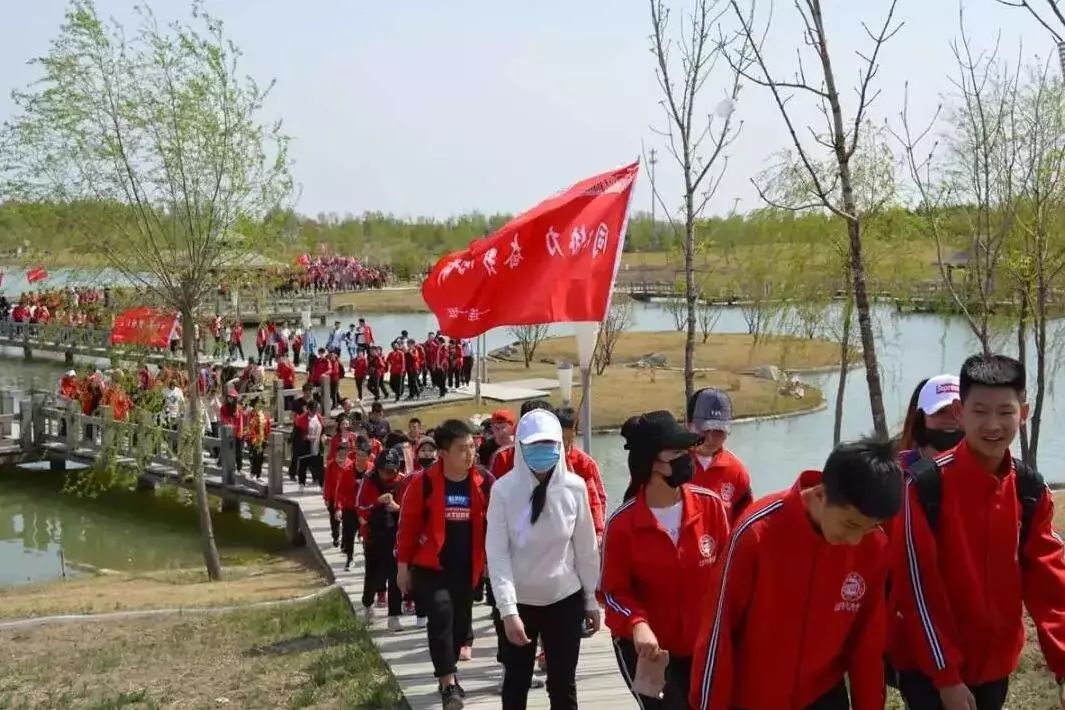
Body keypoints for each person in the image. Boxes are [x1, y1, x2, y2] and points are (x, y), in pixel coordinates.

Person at [889, 354, 1065, 710]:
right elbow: (917, 588)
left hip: (994, 664)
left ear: (1024, 413)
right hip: (928, 665)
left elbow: (1050, 581)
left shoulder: (1029, 489)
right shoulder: (923, 487)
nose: (993, 424)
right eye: (980, 411)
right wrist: (947, 677)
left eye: (1005, 411)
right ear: (959, 413)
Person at [689, 437, 903, 710]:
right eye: (850, 524)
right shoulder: (757, 534)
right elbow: (718, 635)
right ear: (820, 494)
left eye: (869, 528)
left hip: (823, 697)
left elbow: (867, 645)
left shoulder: (873, 547)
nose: (855, 540)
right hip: (755, 699)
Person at [600, 410, 730, 709]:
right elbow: (612, 591)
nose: (687, 458)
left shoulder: (710, 506)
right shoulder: (622, 524)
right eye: (676, 452)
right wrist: (637, 624)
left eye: (688, 450)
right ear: (652, 462)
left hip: (702, 646)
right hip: (648, 651)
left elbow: (728, 576)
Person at [486, 409, 601, 710]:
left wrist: (590, 599)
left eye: (549, 445)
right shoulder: (503, 490)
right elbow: (497, 554)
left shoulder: (574, 488)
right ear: (520, 446)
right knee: (516, 682)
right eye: (534, 445)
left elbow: (586, 548)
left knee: (563, 684)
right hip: (519, 602)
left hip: (564, 598)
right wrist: (508, 611)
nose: (542, 452)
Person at [397, 419, 493, 709]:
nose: (470, 454)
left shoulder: (484, 482)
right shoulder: (423, 482)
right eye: (462, 449)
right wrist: (403, 566)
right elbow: (408, 526)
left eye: (472, 448)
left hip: (468, 568)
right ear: (443, 453)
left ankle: (450, 669)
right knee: (440, 616)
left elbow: (496, 525)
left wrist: (491, 562)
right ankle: (448, 684)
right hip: (431, 567)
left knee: (460, 625)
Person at [357, 446, 407, 630]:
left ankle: (394, 616)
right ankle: (367, 604)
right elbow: (360, 506)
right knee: (374, 575)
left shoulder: (402, 481)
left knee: (395, 576)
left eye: (392, 471)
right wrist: (378, 501)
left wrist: (397, 507)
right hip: (373, 536)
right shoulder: (369, 479)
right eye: (385, 471)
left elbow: (410, 510)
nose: (389, 475)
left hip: (395, 537)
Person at [686, 388, 752, 522]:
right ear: (688, 424)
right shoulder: (667, 465)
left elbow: (744, 525)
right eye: (704, 430)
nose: (710, 439)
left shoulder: (736, 472)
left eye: (718, 431)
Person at [557, 407, 608, 541]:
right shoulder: (543, 462)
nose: (565, 443)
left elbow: (598, 499)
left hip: (581, 531)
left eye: (569, 437)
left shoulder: (585, 463)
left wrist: (598, 532)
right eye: (561, 438)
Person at [897, 374, 964, 468]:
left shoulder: (986, 467)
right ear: (921, 418)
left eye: (958, 411)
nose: (951, 419)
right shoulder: (900, 471)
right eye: (940, 411)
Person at [332, 435, 368, 570]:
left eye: (363, 455)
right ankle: (350, 558)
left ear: (368, 457)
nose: (359, 458)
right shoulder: (347, 471)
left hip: (365, 509)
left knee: (367, 535)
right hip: (350, 508)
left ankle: (367, 558)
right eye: (358, 455)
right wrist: (338, 508)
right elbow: (340, 491)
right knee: (349, 534)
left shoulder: (371, 471)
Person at [293, 400, 324, 486]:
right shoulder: (301, 420)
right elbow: (297, 435)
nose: (315, 412)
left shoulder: (319, 418)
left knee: (320, 466)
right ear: (309, 409)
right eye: (313, 410)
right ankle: (302, 483)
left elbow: (322, 431)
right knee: (303, 465)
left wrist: (324, 436)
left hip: (317, 445)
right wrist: (306, 437)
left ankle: (322, 484)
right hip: (305, 446)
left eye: (317, 410)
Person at [245, 397, 271, 480]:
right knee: (254, 456)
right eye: (258, 404)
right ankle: (253, 472)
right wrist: (253, 438)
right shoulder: (252, 415)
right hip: (254, 439)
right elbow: (250, 427)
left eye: (261, 404)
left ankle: (258, 474)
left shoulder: (265, 414)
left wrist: (267, 437)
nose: (260, 406)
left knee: (260, 457)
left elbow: (268, 426)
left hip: (262, 438)